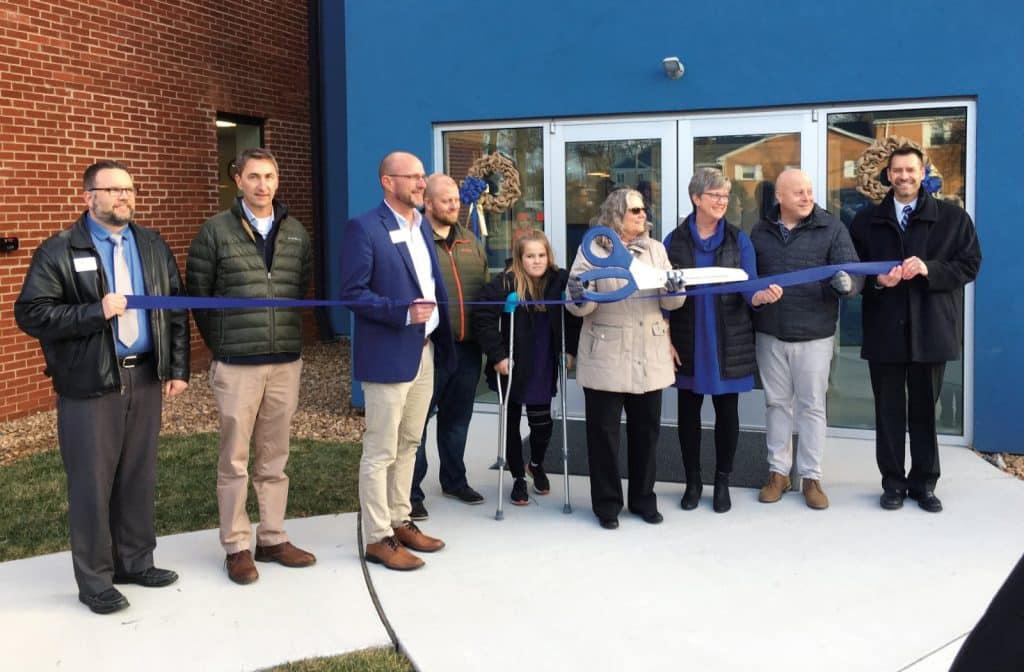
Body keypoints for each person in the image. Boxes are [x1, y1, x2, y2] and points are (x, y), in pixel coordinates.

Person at [14, 160, 190, 614]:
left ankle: (134, 560)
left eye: (129, 189)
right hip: (92, 381)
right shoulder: (59, 250)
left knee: (138, 474)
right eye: (112, 190)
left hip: (145, 375)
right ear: (88, 196)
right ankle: (95, 579)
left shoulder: (151, 245)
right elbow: (31, 313)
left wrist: (177, 367)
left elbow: (173, 311)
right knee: (92, 483)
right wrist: (97, 311)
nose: (123, 197)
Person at [186, 148, 316, 584]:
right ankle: (237, 545)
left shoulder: (295, 231)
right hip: (237, 364)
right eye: (254, 176)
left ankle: (273, 536)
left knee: (275, 457)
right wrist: (223, 344)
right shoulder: (215, 231)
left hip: (284, 361)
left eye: (270, 176)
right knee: (235, 460)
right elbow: (200, 296)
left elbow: (300, 288)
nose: (263, 185)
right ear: (238, 180)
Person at [339, 151, 454, 571]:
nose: (422, 184)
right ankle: (376, 537)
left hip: (423, 352)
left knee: (409, 443)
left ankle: (399, 520)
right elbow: (352, 293)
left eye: (423, 177)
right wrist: (402, 311)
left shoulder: (421, 225)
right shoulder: (365, 229)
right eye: (414, 178)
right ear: (388, 181)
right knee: (381, 450)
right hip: (388, 355)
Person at [850, 145, 981, 512]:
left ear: (923, 173)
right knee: (888, 413)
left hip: (932, 329)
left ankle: (924, 484)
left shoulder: (953, 219)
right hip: (885, 331)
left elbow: (970, 265)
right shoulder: (866, 222)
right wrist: (878, 281)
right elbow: (853, 271)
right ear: (887, 176)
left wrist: (930, 270)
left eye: (911, 170)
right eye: (897, 171)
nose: (904, 176)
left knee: (925, 411)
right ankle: (892, 484)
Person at [566, 188, 685, 529]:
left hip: (649, 353)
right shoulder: (592, 250)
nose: (643, 215)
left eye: (644, 209)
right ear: (617, 214)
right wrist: (579, 293)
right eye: (635, 210)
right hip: (607, 353)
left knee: (646, 434)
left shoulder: (656, 249)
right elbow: (579, 306)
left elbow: (672, 303)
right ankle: (606, 505)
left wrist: (675, 289)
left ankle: (644, 500)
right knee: (604, 436)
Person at [665, 167, 781, 514]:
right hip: (689, 337)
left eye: (725, 195)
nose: (721, 201)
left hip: (728, 338)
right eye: (715, 195)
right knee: (688, 414)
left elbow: (750, 287)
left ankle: (722, 481)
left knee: (727, 414)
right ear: (696, 198)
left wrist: (761, 297)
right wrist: (666, 338)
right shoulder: (674, 240)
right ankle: (693, 482)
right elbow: (663, 292)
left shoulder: (738, 239)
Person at [750, 169, 862, 510]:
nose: (807, 196)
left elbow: (853, 273)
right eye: (798, 192)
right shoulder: (761, 231)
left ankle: (811, 477)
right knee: (776, 405)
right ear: (779, 197)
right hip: (770, 333)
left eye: (809, 190)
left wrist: (848, 284)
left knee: (812, 407)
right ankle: (778, 473)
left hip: (814, 335)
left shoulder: (832, 228)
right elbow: (750, 278)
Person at [475, 230, 579, 506]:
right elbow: (483, 316)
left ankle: (536, 463)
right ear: (520, 258)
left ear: (549, 256)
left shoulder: (560, 280)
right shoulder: (506, 282)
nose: (536, 261)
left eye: (541, 255)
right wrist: (497, 356)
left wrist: (570, 350)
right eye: (530, 256)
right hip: (512, 362)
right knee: (511, 422)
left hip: (543, 362)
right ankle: (519, 478)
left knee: (541, 423)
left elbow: (574, 316)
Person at [409, 174, 489, 520]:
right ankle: (410, 492)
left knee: (458, 420)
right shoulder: (414, 241)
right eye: (446, 200)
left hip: (468, 349)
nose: (454, 205)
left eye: (456, 199)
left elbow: (484, 289)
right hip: (431, 348)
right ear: (427, 203)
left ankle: (455, 479)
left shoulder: (470, 241)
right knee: (417, 422)